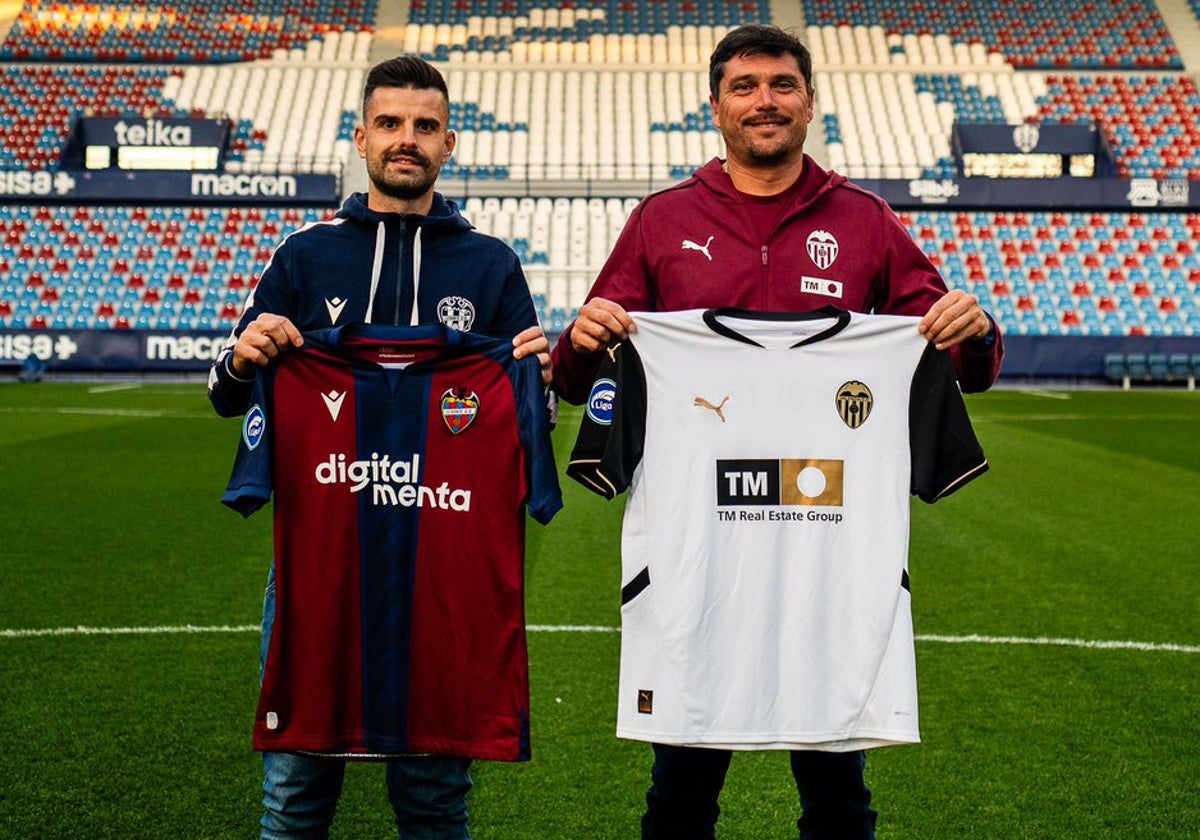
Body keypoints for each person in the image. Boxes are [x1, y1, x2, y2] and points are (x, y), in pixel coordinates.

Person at [550, 24, 1003, 840]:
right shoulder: (661, 221)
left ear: (810, 100)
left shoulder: (865, 221)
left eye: (783, 84)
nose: (766, 101)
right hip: (700, 565)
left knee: (838, 797)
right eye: (747, 86)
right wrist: (581, 341)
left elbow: (956, 363)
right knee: (680, 792)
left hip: (824, 565)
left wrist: (971, 328)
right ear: (716, 106)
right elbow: (579, 375)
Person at [209, 55, 552, 840]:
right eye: (391, 124)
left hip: (444, 572)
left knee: (434, 801)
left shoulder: (491, 265)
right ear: (361, 138)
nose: (407, 140)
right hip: (317, 567)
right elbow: (228, 392)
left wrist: (537, 381)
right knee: (294, 797)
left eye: (424, 126)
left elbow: (527, 428)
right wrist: (244, 355)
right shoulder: (305, 254)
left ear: (450, 143)